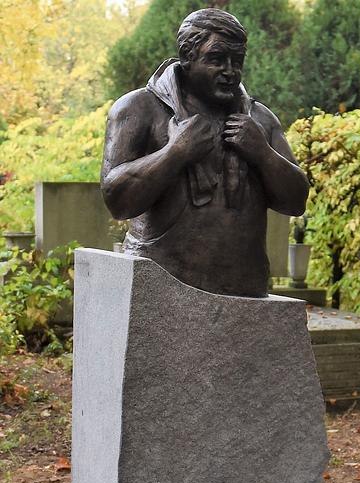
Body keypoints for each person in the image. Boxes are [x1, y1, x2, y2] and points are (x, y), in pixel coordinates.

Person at [101, 8, 309, 297]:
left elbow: (296, 201)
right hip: (161, 284)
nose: (230, 71)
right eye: (216, 59)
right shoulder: (137, 109)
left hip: (245, 288)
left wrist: (263, 154)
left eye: (237, 61)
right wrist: (175, 153)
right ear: (187, 57)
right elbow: (117, 201)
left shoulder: (260, 120)